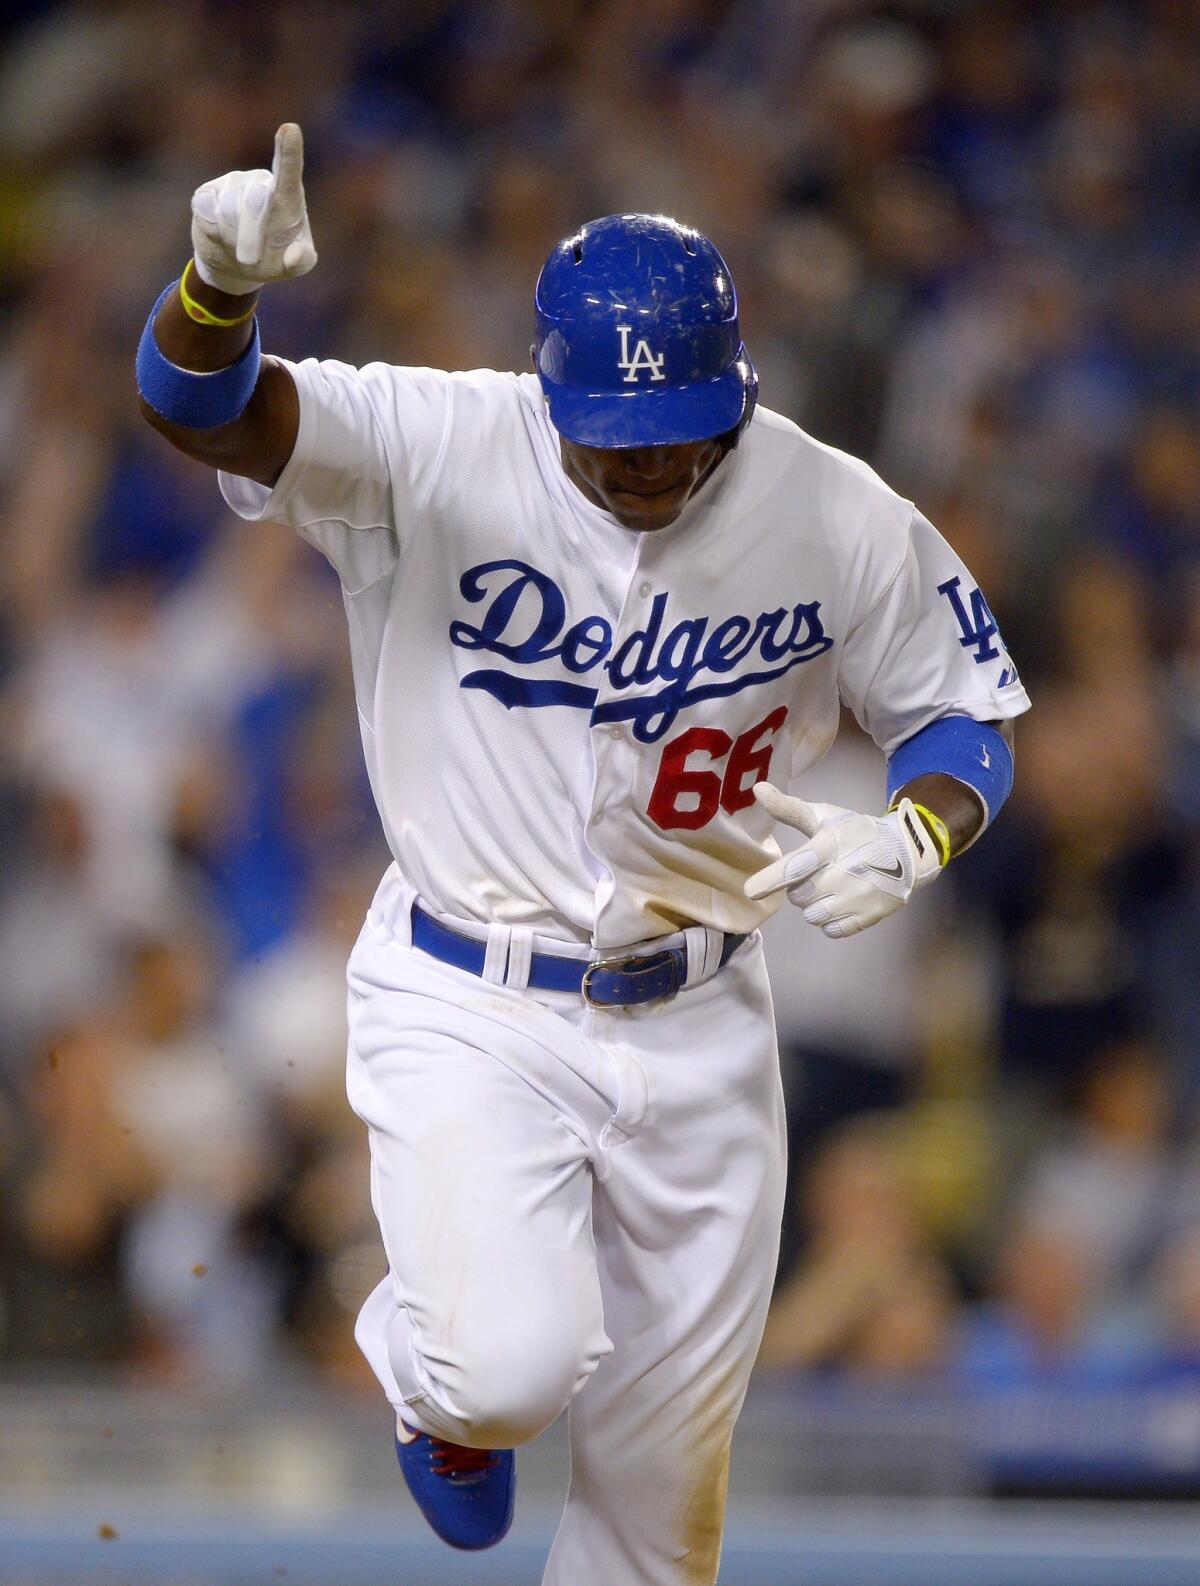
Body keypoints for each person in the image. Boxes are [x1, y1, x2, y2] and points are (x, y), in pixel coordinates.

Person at [136, 124, 1028, 1584]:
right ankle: (434, 1385)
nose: (648, 462)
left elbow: (964, 709)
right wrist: (217, 288)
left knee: (664, 1527)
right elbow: (202, 405)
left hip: (705, 1018)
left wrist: (918, 834)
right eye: (613, 437)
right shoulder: (441, 442)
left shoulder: (829, 508)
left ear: (735, 387)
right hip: (468, 993)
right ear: (545, 389)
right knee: (499, 1370)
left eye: (681, 425)